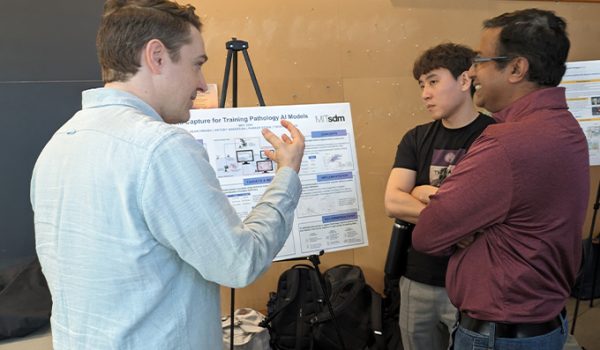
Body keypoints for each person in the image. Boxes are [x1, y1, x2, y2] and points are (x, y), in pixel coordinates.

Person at [30, 1, 305, 349]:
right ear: (157, 56)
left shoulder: (58, 144)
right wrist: (287, 175)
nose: (203, 85)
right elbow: (240, 262)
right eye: (197, 65)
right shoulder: (161, 147)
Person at [411, 8, 589, 350]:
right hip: (544, 324)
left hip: (499, 334)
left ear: (517, 68)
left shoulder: (506, 143)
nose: (473, 71)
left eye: (481, 60)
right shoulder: (565, 127)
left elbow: (429, 234)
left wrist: (464, 224)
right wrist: (479, 229)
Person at [384, 43, 494, 350]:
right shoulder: (416, 137)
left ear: (464, 80)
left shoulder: (495, 135)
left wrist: (420, 193)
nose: (425, 94)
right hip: (417, 278)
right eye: (421, 85)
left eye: (433, 81)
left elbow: (487, 211)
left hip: (473, 281)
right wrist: (454, 218)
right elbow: (392, 201)